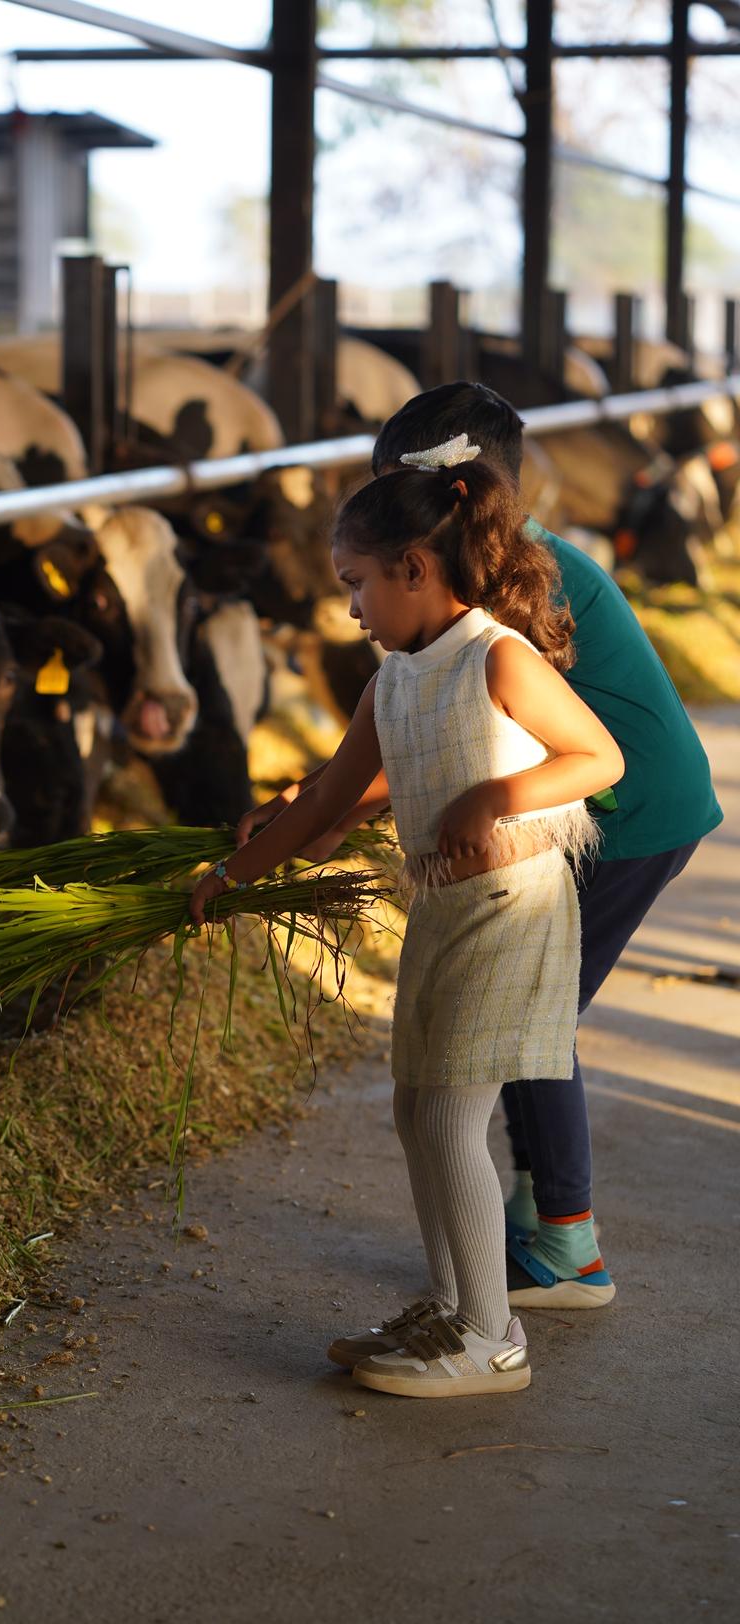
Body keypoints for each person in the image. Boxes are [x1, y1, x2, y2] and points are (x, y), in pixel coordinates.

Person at [238, 384, 722, 1313]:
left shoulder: (510, 579)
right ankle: (538, 1215)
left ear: (446, 499)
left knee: (530, 1018)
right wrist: (319, 801)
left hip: (630, 812)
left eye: (397, 495)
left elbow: (473, 732)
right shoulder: (483, 569)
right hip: (584, 807)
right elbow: (423, 734)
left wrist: (332, 808)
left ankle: (568, 1244)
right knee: (522, 1020)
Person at [190, 456, 625, 1399]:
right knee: (412, 1111)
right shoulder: (390, 683)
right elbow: (328, 802)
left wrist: (496, 795)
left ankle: (492, 1339)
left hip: (514, 910)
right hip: (442, 909)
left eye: (357, 583)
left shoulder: (496, 656)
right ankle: (452, 1309)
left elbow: (599, 758)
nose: (351, 609)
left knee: (448, 1116)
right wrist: (230, 875)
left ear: (415, 569)